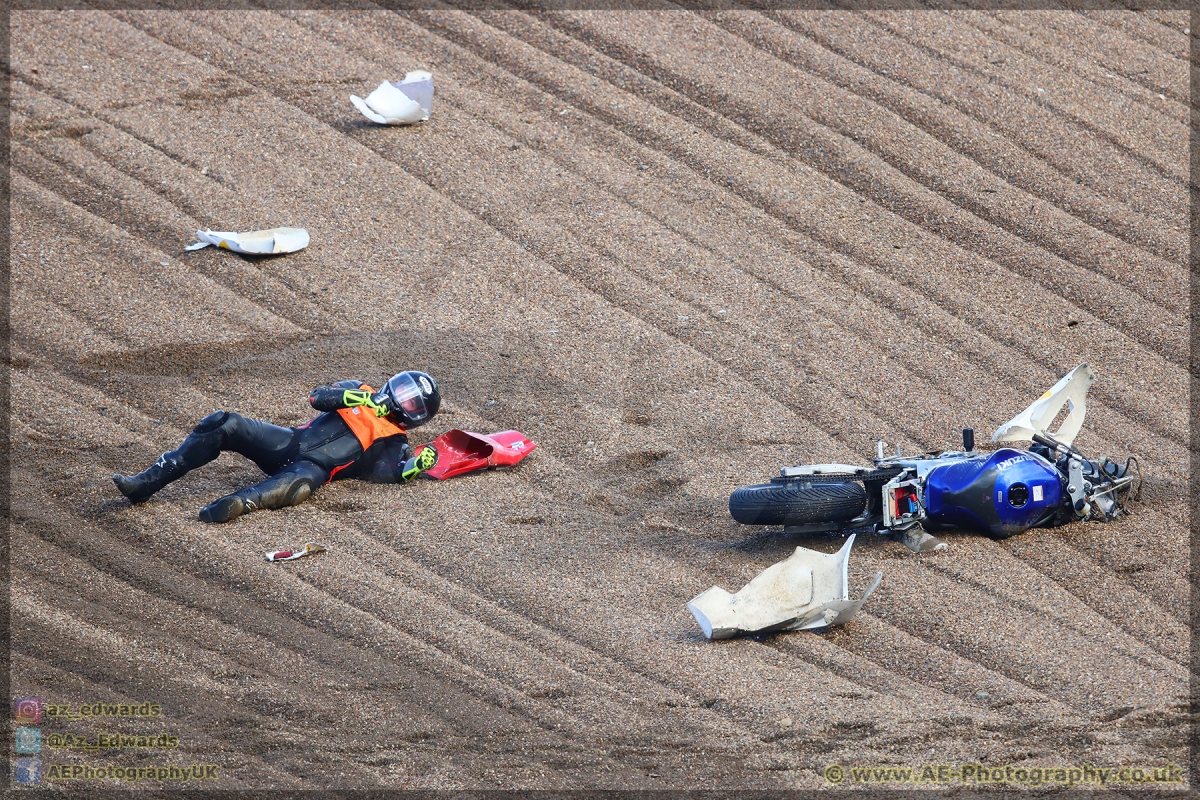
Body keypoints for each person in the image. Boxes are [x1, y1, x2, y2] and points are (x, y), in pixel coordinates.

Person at [113, 371, 442, 523]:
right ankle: (148, 481)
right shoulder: (360, 389)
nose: (400, 400)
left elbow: (386, 471)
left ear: (416, 418)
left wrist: (413, 467)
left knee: (295, 486)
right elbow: (318, 396)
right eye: (402, 389)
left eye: (412, 403)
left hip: (313, 469)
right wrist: (356, 397)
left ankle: (236, 504)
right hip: (288, 442)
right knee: (223, 423)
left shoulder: (395, 439)